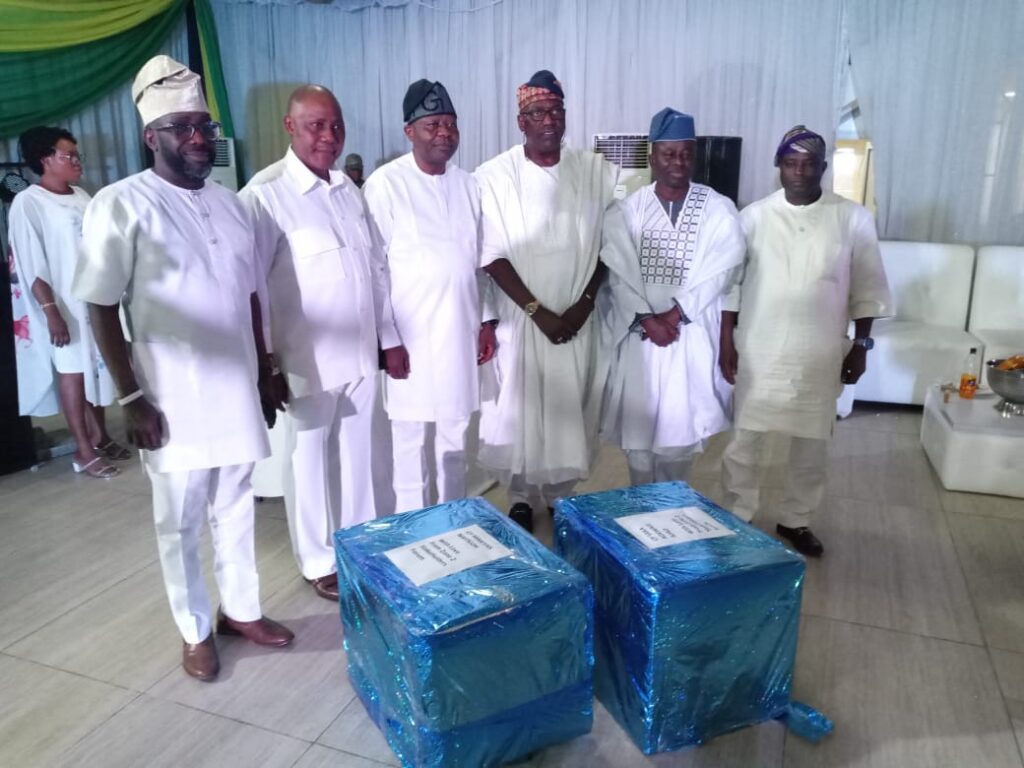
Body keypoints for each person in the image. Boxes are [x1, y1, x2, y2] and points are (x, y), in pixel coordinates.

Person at [73, 55, 294, 681]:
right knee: (180, 518)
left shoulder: (233, 205)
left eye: (205, 126)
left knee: (237, 503)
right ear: (152, 136)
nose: (199, 138)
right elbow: (99, 304)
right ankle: (194, 630)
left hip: (236, 387)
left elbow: (252, 295)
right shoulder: (121, 204)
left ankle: (242, 611)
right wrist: (131, 397)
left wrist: (264, 371)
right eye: (183, 128)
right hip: (171, 396)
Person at [240, 85, 406, 601]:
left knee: (358, 454)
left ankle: (357, 545)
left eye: (336, 125)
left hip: (359, 353)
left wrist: (388, 339)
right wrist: (266, 364)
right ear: (290, 127)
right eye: (316, 125)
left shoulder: (348, 191)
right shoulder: (264, 195)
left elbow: (376, 271)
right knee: (308, 457)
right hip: (304, 357)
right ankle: (317, 559)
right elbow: (249, 287)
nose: (329, 136)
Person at [719, 125, 892, 557]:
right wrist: (726, 342)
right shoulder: (752, 217)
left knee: (812, 444)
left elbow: (868, 287)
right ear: (778, 166)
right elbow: (730, 286)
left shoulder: (852, 218)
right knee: (745, 440)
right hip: (759, 346)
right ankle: (739, 513)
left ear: (823, 167)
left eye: (809, 164)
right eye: (791, 163)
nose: (799, 171)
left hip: (820, 350)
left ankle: (796, 519)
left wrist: (861, 346)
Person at [474, 69, 630, 531]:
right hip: (521, 318)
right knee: (519, 408)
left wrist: (584, 304)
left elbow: (611, 245)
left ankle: (562, 495)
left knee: (569, 403)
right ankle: (521, 496)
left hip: (577, 317)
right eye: (538, 113)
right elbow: (490, 255)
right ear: (521, 121)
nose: (549, 120)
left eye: (556, 111)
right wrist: (536, 312)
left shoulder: (595, 172)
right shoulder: (494, 176)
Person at [362, 80, 496, 513]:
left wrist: (487, 321)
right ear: (410, 131)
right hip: (410, 338)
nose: (444, 133)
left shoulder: (469, 185)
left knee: (455, 437)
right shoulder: (386, 184)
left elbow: (481, 262)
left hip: (460, 332)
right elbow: (375, 269)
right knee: (410, 440)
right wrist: (388, 340)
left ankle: (452, 520)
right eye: (433, 125)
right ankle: (413, 529)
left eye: (451, 124)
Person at [602, 108, 745, 484]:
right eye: (669, 154)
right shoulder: (627, 210)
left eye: (686, 154)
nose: (678, 162)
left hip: (690, 334)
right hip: (640, 337)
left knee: (680, 437)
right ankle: (640, 509)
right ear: (652, 158)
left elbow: (723, 270)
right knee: (638, 438)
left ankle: (673, 508)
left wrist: (675, 314)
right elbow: (616, 272)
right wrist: (647, 318)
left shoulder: (718, 208)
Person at [8, 126, 122, 478]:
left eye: (76, 154)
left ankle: (101, 436)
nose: (76, 161)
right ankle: (83, 451)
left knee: (96, 368)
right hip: (62, 303)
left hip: (92, 299)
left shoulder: (82, 196)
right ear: (45, 159)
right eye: (67, 155)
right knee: (73, 373)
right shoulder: (29, 202)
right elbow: (30, 263)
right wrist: (51, 311)